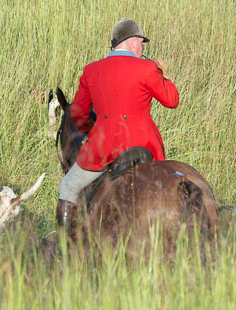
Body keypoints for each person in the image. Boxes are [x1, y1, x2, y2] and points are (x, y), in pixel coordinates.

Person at [57, 18, 179, 231]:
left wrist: (91, 132)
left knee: (68, 185)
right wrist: (164, 75)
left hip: (103, 148)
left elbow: (78, 113)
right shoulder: (148, 68)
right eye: (142, 43)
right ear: (133, 41)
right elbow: (172, 101)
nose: (142, 48)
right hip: (145, 145)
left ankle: (65, 246)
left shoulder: (91, 70)